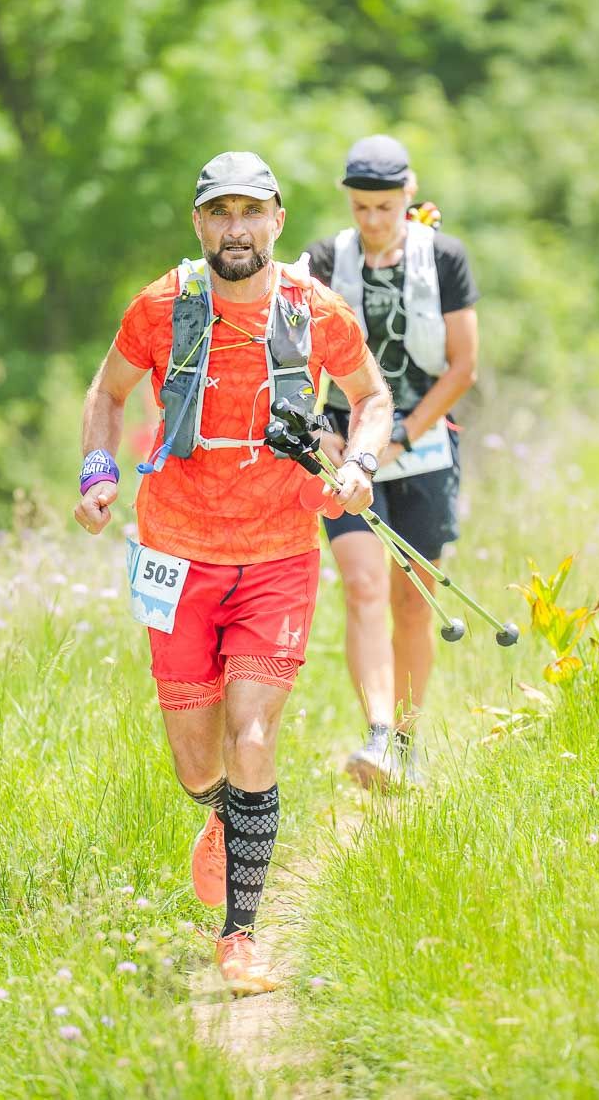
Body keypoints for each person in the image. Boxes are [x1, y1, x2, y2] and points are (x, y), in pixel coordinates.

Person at [74, 151, 392, 996]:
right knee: (195, 761)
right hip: (174, 551)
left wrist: (359, 461)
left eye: (253, 212)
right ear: (199, 224)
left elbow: (372, 397)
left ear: (279, 221)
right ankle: (223, 813)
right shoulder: (162, 306)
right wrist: (96, 473)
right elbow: (105, 393)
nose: (237, 228)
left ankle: (240, 936)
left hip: (279, 553)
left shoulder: (312, 310)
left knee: (254, 736)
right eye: (221, 213)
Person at [303, 135, 480, 790]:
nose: (372, 221)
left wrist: (400, 436)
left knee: (413, 601)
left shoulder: (447, 258)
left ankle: (406, 739)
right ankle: (376, 732)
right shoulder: (324, 260)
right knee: (363, 584)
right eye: (360, 208)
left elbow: (463, 364)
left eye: (384, 206)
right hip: (344, 453)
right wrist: (322, 431)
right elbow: (297, 355)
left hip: (424, 447)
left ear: (408, 194)